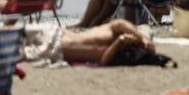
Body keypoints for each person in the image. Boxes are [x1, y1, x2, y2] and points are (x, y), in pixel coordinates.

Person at [26, 18, 159, 65]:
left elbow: (104, 60)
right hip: (55, 33)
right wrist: (143, 39)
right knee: (12, 32)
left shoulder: (121, 51)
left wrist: (120, 41)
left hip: (56, 48)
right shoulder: (112, 30)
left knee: (12, 47)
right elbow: (120, 23)